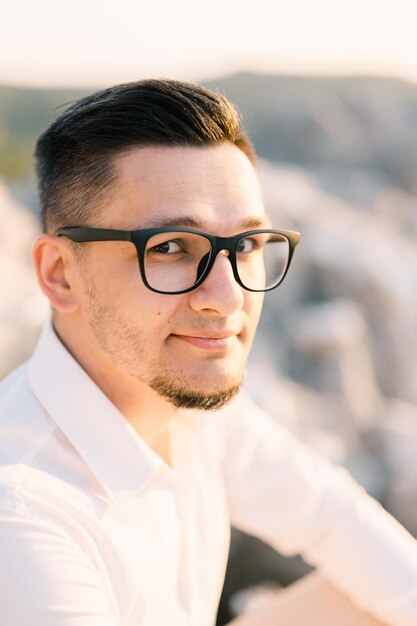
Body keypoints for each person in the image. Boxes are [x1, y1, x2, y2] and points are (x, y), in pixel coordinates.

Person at [0, 79, 416, 626]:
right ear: (60, 275)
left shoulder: (192, 410)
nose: (227, 299)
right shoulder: (24, 520)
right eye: (170, 247)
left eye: (244, 245)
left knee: (368, 594)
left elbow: (335, 516)